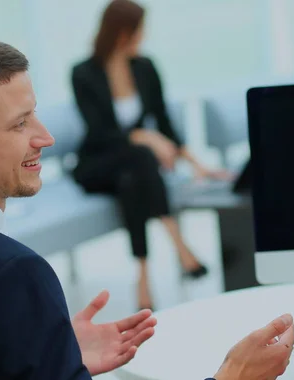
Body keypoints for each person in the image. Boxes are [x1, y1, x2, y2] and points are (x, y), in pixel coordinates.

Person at [0, 37, 294, 379]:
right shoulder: (13, 272)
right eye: (20, 124)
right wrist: (234, 376)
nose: (44, 137)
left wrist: (48, 347)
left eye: (35, 113)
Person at [71, 0, 229, 311]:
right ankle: (180, 245)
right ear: (123, 33)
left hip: (131, 168)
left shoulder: (144, 68)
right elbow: (99, 131)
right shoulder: (83, 73)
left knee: (135, 176)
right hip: (97, 163)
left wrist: (198, 165)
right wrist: (146, 136)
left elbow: (165, 121)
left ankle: (142, 278)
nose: (144, 37)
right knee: (142, 156)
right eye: (140, 31)